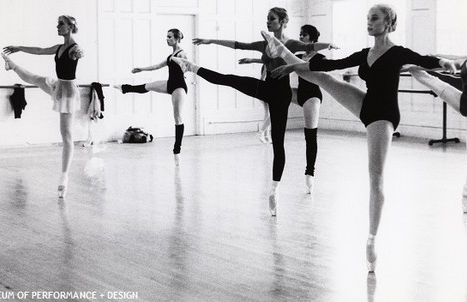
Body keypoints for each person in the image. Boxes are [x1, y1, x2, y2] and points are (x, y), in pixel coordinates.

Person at [261, 4, 456, 271]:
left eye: (374, 18)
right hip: (366, 104)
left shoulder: (398, 53)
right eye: (367, 18)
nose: (369, 22)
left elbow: (426, 59)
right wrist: (291, 66)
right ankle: (281, 51)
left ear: (388, 23)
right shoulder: (365, 53)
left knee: (375, 177)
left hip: (384, 115)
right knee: (321, 77)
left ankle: (372, 240)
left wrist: (445, 63)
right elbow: (330, 64)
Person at [173, 7, 335, 216]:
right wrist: (211, 41)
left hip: (282, 94)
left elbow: (310, 45)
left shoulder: (292, 44)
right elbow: (239, 45)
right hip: (265, 88)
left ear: (283, 21)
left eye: (272, 19)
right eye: (267, 19)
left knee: (278, 142)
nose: (268, 22)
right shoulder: (264, 44)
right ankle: (190, 66)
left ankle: (274, 190)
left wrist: (328, 45)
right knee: (230, 79)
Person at [2, 15, 84, 198]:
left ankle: (64, 177)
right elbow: (39, 50)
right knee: (35, 79)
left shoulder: (73, 48)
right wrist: (19, 48)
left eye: (60, 24)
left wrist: (79, 53)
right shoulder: (59, 47)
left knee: (67, 136)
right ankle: (12, 64)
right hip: (59, 85)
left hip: (68, 92)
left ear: (70, 27)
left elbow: (79, 52)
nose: (57, 27)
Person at [239, 24, 326, 193]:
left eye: (305, 35)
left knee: (310, 135)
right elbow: (277, 60)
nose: (301, 37)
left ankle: (310, 173)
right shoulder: (298, 55)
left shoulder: (319, 58)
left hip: (311, 96)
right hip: (298, 92)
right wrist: (254, 60)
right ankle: (262, 131)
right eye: (300, 34)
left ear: (312, 38)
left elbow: (322, 71)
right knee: (278, 100)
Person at [406, 28, 467, 215]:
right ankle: (405, 65)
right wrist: (432, 57)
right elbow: (453, 58)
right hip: (464, 102)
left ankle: (466, 197)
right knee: (427, 78)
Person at [113, 29, 188, 165]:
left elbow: (186, 63)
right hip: (170, 84)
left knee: (178, 118)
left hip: (179, 87)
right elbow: (157, 66)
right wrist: (141, 69)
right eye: (166, 37)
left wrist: (184, 66)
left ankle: (177, 152)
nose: (167, 39)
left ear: (177, 39)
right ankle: (124, 88)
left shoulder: (181, 53)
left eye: (170, 37)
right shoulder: (170, 56)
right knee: (149, 85)